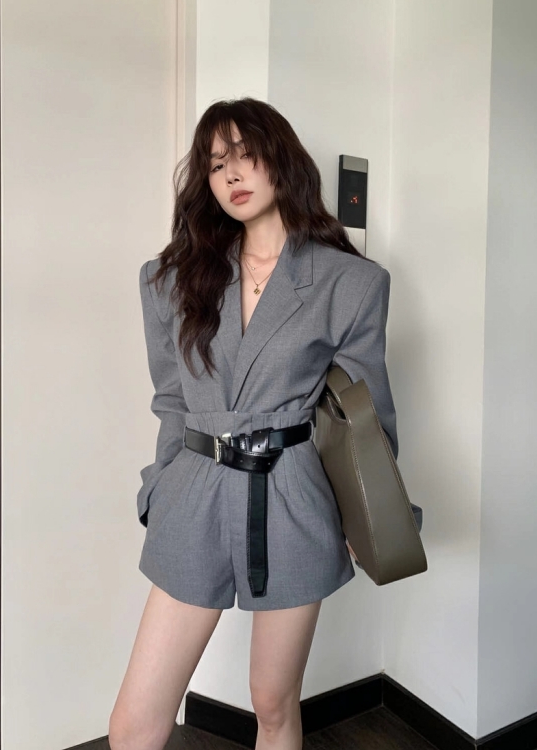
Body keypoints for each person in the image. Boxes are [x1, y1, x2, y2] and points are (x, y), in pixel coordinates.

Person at [108, 97, 399, 750]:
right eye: (216, 164)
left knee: (272, 702)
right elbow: (171, 399)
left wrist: (369, 516)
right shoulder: (171, 280)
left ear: (282, 161)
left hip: (292, 494)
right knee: (133, 726)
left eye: (245, 154)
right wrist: (159, 489)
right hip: (194, 490)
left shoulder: (350, 283)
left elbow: (366, 414)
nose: (232, 174)